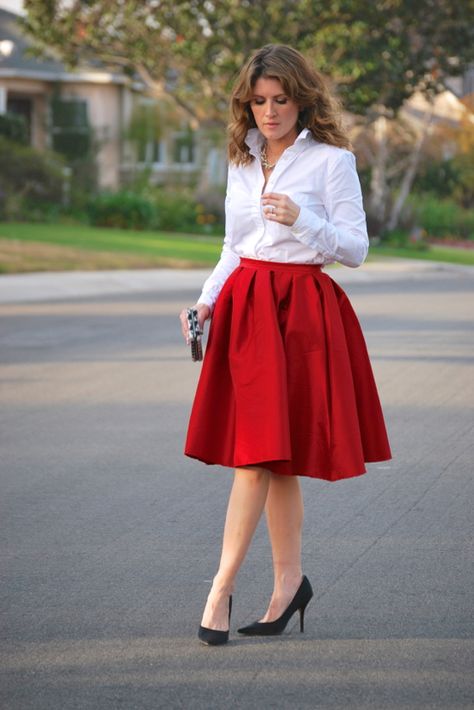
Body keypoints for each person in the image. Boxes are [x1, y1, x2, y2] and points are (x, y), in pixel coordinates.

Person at [179, 44, 391, 646]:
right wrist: (205, 302)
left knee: (263, 459)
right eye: (259, 101)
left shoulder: (331, 161)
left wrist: (302, 219)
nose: (269, 112)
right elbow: (232, 246)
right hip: (246, 308)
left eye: (281, 100)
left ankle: (219, 590)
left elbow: (353, 249)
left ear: (302, 99)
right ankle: (288, 583)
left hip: (301, 313)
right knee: (266, 455)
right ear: (247, 103)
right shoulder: (240, 161)